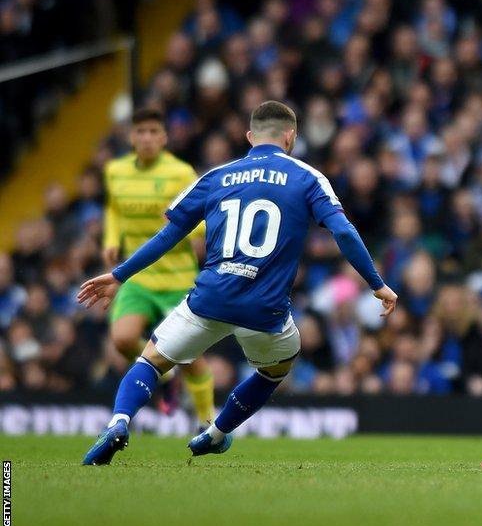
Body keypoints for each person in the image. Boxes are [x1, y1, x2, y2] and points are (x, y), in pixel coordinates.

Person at [79, 101, 397, 465]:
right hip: (264, 310)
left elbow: (169, 236)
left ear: (250, 136)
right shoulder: (308, 177)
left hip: (210, 298)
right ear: (290, 136)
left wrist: (119, 274)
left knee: (151, 361)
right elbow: (343, 231)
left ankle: (118, 422)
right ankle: (216, 433)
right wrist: (377, 284)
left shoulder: (216, 177)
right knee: (275, 368)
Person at [102, 107, 216, 428]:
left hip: (178, 278)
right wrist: (112, 238)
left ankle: (207, 424)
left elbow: (201, 210)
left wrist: (197, 235)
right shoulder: (115, 171)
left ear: (164, 137)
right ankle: (166, 376)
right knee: (122, 339)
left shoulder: (180, 173)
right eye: (141, 132)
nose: (147, 138)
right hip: (139, 277)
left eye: (154, 132)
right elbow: (113, 208)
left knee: (191, 357)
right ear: (131, 136)